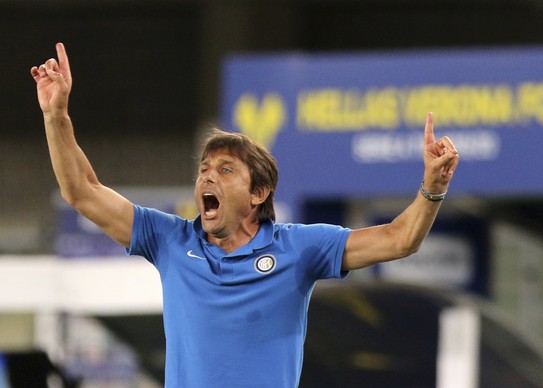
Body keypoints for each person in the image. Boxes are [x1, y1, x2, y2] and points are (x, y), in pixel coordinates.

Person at [31, 43, 459, 388]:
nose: (206, 179)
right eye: (203, 171)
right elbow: (82, 192)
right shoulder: (169, 240)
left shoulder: (300, 247)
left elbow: (399, 239)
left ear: (258, 192)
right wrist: (57, 116)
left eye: (224, 170)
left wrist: (433, 188)